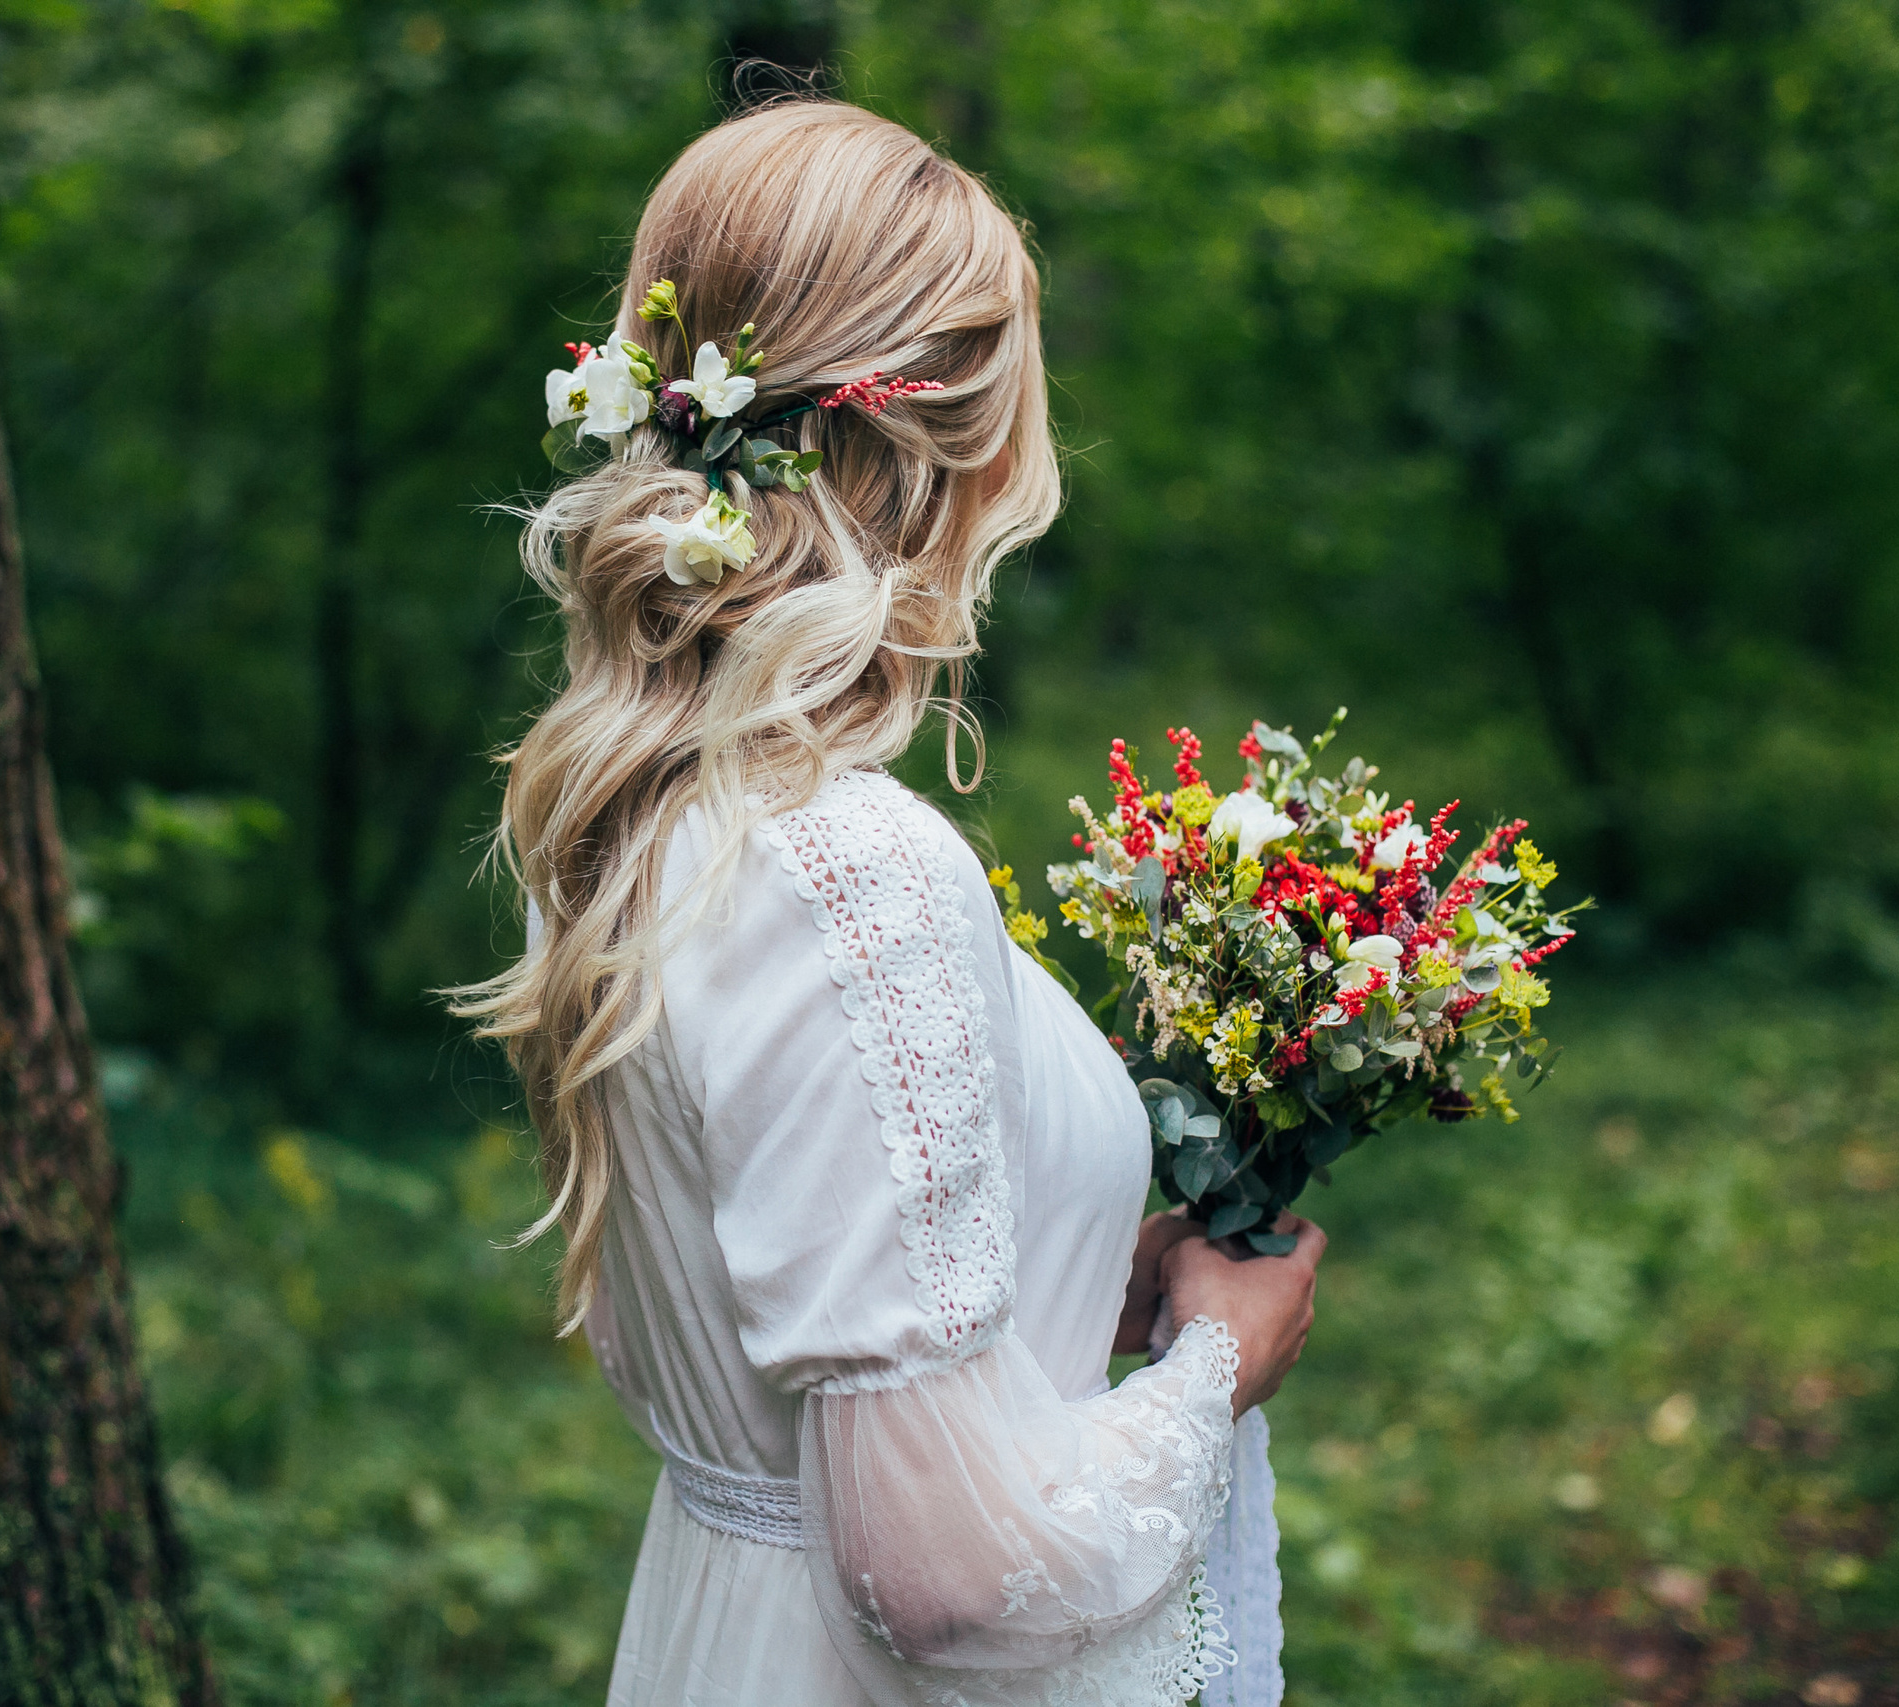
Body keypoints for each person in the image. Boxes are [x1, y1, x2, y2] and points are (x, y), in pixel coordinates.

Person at [457, 98, 1323, 1707]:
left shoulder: (630, 828)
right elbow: (936, 1576)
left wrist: (1074, 1266)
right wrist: (1219, 1363)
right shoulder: (854, 872)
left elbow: (791, 1297)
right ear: (967, 443)